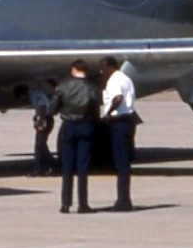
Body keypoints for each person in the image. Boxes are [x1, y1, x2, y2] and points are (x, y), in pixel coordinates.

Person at [55, 61, 97, 213]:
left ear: (73, 70)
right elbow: (95, 108)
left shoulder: (64, 86)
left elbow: (54, 106)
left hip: (68, 126)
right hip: (85, 125)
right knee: (83, 168)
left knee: (67, 166)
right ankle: (83, 204)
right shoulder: (91, 87)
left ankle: (65, 203)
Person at [99, 56, 139, 211]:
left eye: (103, 67)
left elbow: (117, 97)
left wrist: (108, 113)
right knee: (125, 162)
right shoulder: (126, 78)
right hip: (129, 120)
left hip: (119, 121)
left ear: (110, 67)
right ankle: (124, 198)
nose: (102, 71)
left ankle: (123, 201)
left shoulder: (114, 80)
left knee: (120, 162)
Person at [28, 78, 59, 177]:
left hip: (45, 119)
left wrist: (41, 121)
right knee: (41, 145)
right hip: (46, 118)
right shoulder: (39, 93)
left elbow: (43, 107)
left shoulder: (35, 93)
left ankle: (44, 167)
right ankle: (50, 166)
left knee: (39, 145)